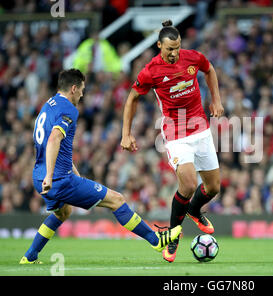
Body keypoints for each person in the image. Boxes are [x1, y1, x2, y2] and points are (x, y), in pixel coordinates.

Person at [20, 69, 181, 264]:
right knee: (116, 200)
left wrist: (59, 175)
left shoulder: (47, 106)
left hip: (39, 177)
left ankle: (29, 257)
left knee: (63, 212)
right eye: (81, 89)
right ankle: (156, 240)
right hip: (57, 179)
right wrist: (52, 175)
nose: (82, 94)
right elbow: (54, 138)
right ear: (73, 88)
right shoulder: (69, 109)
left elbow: (52, 144)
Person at [121, 20, 224, 263]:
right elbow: (132, 98)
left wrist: (216, 100)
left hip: (200, 128)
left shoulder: (192, 58)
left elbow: (209, 70)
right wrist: (127, 133)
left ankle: (194, 210)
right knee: (187, 185)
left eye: (177, 47)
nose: (174, 53)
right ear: (159, 45)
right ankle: (173, 235)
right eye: (169, 48)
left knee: (214, 188)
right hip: (176, 131)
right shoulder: (150, 71)